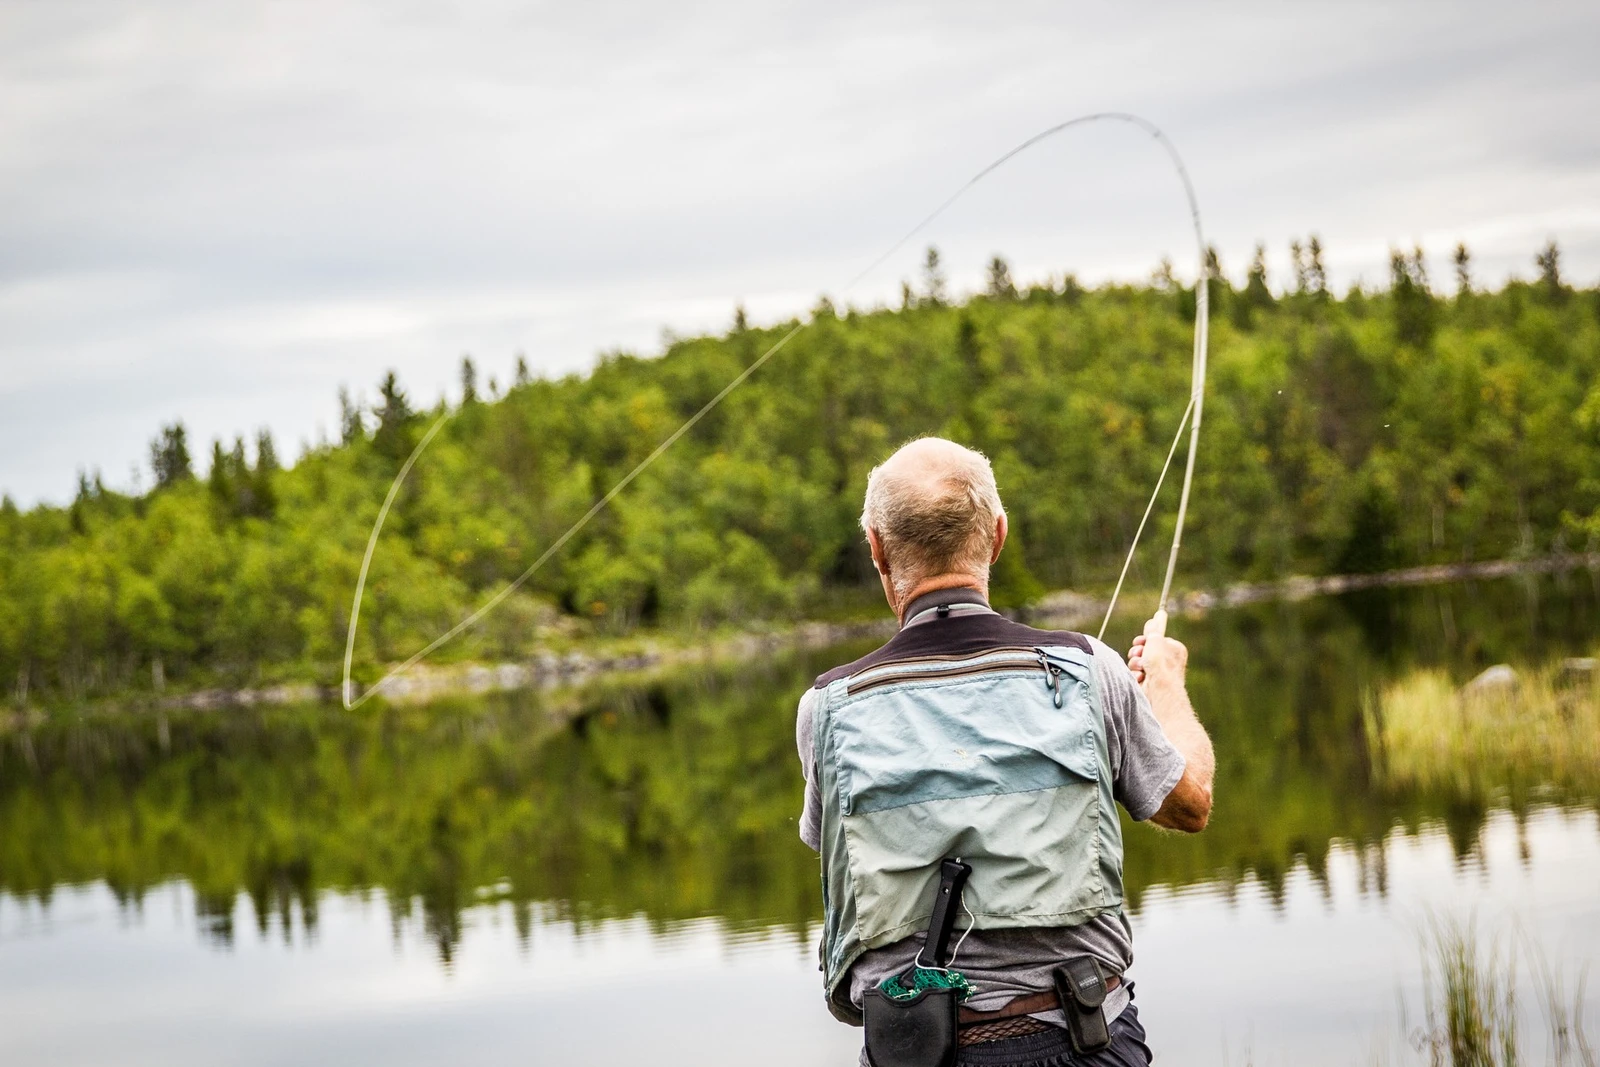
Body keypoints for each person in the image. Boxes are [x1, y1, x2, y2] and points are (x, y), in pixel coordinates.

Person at [795, 437, 1214, 1066]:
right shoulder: (1090, 670)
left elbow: (833, 849)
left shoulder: (824, 709)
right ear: (997, 536)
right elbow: (1190, 806)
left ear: (878, 550)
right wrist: (1167, 685)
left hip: (912, 1050)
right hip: (1080, 1042)